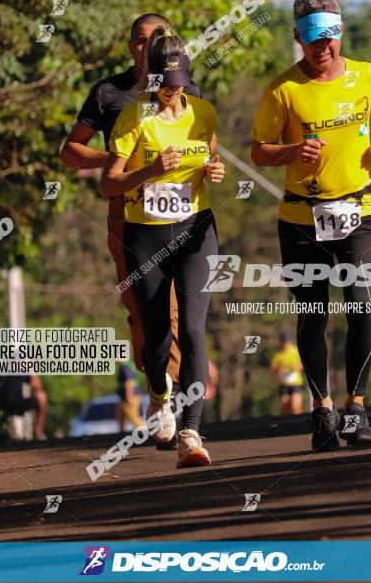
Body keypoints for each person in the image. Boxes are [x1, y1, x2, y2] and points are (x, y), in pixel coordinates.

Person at [251, 0, 371, 452]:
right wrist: (293, 151)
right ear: (297, 37)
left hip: (364, 208)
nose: (323, 49)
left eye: (330, 38)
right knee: (313, 314)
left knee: (360, 302)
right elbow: (259, 150)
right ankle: (322, 411)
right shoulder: (283, 89)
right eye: (313, 40)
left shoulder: (368, 75)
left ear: (341, 31)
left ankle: (356, 409)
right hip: (301, 214)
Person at [61, 15, 202, 404]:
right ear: (130, 46)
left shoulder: (188, 89)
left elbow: (203, 148)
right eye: (140, 40)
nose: (148, 46)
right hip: (127, 215)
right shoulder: (110, 92)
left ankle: (171, 403)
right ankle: (161, 385)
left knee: (174, 311)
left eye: (158, 38)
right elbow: (69, 152)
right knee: (145, 312)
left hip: (180, 213)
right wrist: (120, 159)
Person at [100, 27, 225, 468]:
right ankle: (159, 396)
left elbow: (211, 156)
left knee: (192, 331)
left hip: (195, 230)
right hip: (145, 233)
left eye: (179, 84)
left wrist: (213, 172)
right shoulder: (134, 117)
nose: (173, 92)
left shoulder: (204, 114)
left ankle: (192, 433)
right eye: (165, 84)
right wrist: (148, 170)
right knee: (157, 337)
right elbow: (106, 183)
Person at [0, 374, 47, 440]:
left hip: (1, 405)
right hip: (16, 405)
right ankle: (38, 433)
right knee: (42, 397)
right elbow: (38, 386)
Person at [270, 332, 304, 414]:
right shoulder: (278, 355)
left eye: (286, 341)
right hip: (284, 384)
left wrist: (297, 366)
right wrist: (278, 369)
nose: (285, 344)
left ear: (290, 341)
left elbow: (304, 363)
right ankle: (292, 424)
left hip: (296, 383)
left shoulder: (296, 350)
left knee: (295, 406)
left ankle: (301, 422)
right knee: (286, 406)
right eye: (283, 341)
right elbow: (272, 370)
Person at [116, 361, 143, 431]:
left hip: (130, 396)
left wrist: (129, 397)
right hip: (125, 396)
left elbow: (128, 382)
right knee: (120, 415)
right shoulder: (129, 365)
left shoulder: (125, 367)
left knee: (132, 414)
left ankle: (143, 431)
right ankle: (121, 435)